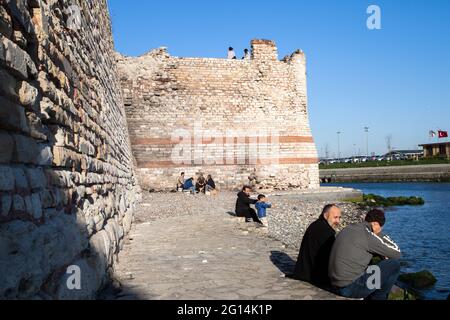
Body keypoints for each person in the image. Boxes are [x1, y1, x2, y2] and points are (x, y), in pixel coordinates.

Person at [328, 209, 402, 300]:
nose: (381, 229)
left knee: (374, 265)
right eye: (381, 226)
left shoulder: (348, 228)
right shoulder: (368, 236)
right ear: (375, 224)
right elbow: (397, 253)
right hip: (350, 288)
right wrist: (379, 234)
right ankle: (378, 297)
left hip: (334, 284)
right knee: (394, 264)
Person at [291, 204, 341, 287]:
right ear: (325, 216)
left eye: (339, 218)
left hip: (304, 271)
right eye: (335, 217)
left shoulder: (316, 225)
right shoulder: (326, 231)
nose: (338, 221)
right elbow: (331, 257)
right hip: (314, 275)